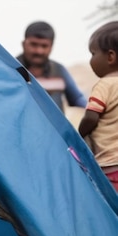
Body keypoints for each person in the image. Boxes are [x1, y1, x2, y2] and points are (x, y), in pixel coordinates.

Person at [78, 21, 118, 191]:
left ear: (110, 57)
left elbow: (91, 117)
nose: (91, 60)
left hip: (109, 165)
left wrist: (77, 134)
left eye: (93, 53)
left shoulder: (105, 85)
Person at [17, 21, 87, 112]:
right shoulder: (12, 69)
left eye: (44, 46)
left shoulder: (59, 70)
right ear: (24, 44)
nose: (39, 51)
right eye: (34, 44)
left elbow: (77, 99)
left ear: (51, 47)